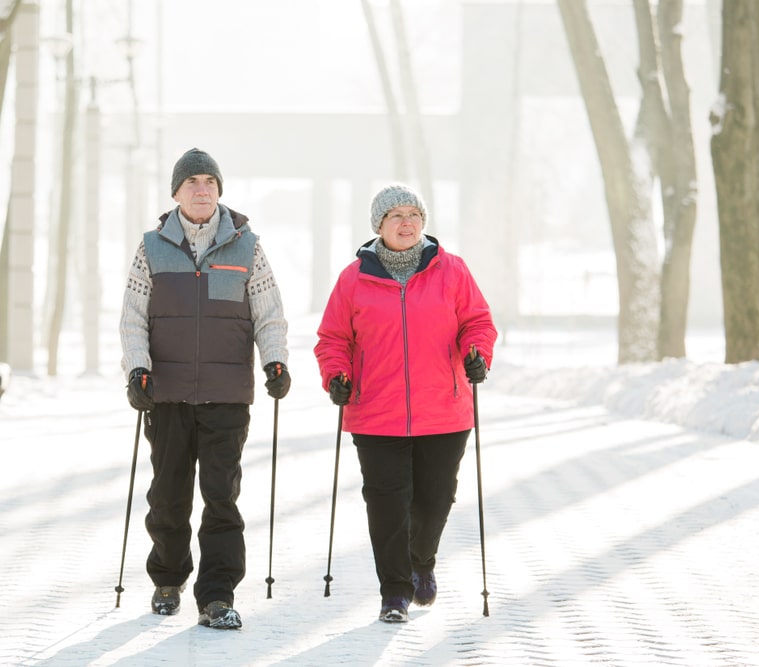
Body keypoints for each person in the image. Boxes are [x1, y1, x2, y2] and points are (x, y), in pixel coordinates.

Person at [119, 148, 291, 630]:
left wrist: (275, 361)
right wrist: (137, 370)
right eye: (191, 182)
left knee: (221, 497)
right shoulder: (151, 248)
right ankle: (167, 580)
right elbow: (133, 319)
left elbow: (268, 313)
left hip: (226, 396)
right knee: (169, 495)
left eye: (209, 182)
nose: (201, 189)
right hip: (167, 394)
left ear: (219, 190)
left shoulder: (247, 247)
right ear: (176, 192)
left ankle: (217, 595)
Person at [314, 183, 497, 623]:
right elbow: (333, 339)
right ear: (379, 225)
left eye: (414, 214)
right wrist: (336, 376)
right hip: (375, 412)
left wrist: (477, 354)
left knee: (435, 500)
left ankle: (421, 563)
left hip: (443, 411)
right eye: (396, 215)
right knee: (386, 503)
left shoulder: (452, 271)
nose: (407, 222)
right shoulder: (354, 278)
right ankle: (394, 592)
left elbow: (478, 322)